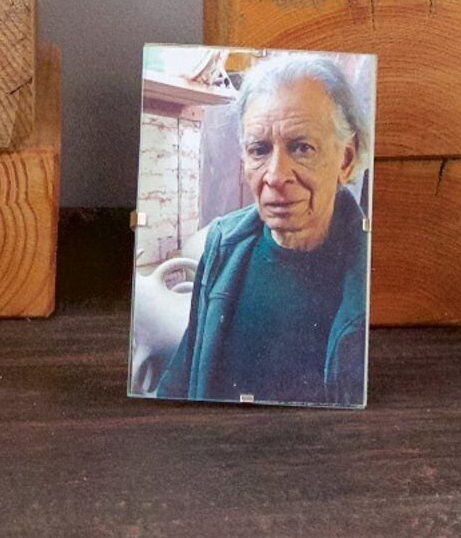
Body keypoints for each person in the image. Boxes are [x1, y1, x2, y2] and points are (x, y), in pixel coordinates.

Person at [153, 54, 371, 404]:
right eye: (259, 149)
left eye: (302, 148)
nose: (275, 176)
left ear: (345, 159)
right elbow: (184, 371)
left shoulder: (368, 268)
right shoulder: (224, 244)